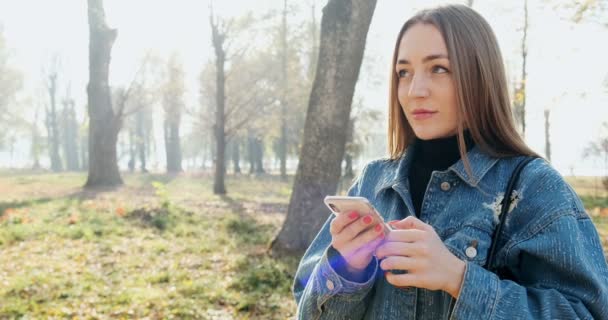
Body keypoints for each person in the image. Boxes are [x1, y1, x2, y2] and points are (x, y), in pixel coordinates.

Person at [293, 4, 608, 319]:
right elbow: (305, 310)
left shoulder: (534, 187)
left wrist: (459, 278)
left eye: (438, 69)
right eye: (404, 72)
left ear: (479, 76)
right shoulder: (373, 182)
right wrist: (348, 269)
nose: (415, 90)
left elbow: (588, 313)